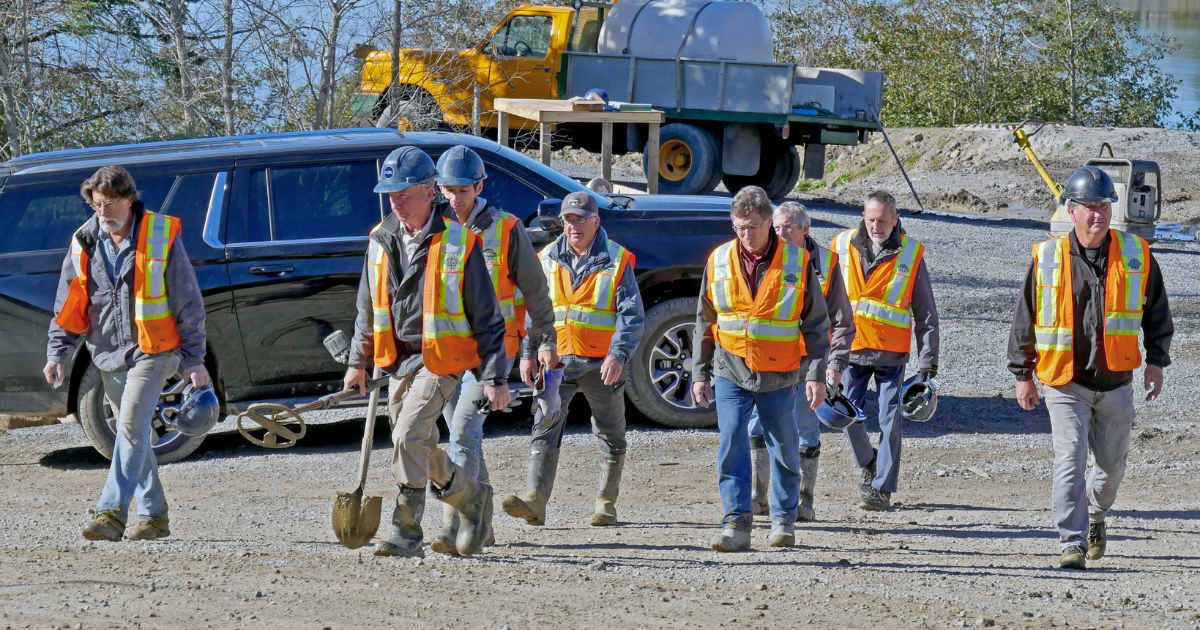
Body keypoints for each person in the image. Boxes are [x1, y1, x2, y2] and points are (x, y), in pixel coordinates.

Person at [344, 146, 509, 558]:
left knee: (405, 435)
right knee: (416, 443)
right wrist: (355, 362)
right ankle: (471, 497)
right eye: (390, 194)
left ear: (428, 190)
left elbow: (488, 317)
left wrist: (495, 377)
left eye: (403, 192)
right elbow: (366, 307)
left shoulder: (459, 242)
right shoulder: (379, 241)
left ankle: (406, 530)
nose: (395, 201)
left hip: (442, 359)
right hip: (399, 360)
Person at [1008, 165, 1172, 570]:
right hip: (1065, 382)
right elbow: (1024, 317)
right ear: (1072, 210)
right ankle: (1071, 542)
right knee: (1069, 461)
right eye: (1089, 207)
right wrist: (1022, 374)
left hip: (1117, 381)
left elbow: (1157, 312)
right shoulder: (1047, 257)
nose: (1097, 214)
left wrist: (1157, 362)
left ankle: (1096, 515)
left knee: (1111, 468)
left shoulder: (1136, 254)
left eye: (1103, 206)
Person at [45, 166, 210, 542]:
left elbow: (188, 301)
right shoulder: (84, 242)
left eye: (112, 203)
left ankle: (110, 512)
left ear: (130, 199)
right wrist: (57, 353)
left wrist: (194, 358)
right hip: (107, 354)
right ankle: (154, 515)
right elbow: (69, 305)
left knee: (132, 427)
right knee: (129, 433)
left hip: (155, 351)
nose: (104, 212)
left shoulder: (160, 235)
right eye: (98, 204)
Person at [431, 145, 557, 555]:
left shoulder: (506, 229)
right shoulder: (436, 229)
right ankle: (482, 526)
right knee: (463, 435)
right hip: (450, 351)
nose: (454, 198)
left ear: (480, 186)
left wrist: (545, 341)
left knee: (464, 432)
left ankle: (457, 524)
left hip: (494, 354)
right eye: (447, 190)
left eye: (462, 190)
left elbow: (536, 292)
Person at [692, 186, 829, 552]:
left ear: (769, 221)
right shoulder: (718, 260)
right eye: (738, 227)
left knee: (784, 446)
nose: (745, 234)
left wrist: (816, 375)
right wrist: (699, 372)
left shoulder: (797, 263)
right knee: (731, 440)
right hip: (731, 368)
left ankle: (783, 521)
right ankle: (736, 524)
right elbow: (704, 320)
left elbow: (816, 325)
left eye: (752, 226)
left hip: (780, 373)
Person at [500, 191, 645, 527]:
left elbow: (631, 316)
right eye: (568, 219)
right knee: (544, 425)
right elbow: (534, 311)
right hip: (556, 362)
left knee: (611, 432)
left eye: (580, 219)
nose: (573, 226)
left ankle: (606, 504)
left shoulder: (616, 259)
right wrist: (528, 353)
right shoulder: (547, 258)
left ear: (596, 221)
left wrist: (618, 354)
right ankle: (535, 500)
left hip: (601, 363)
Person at [830, 190, 939, 512]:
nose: (875, 226)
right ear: (863, 216)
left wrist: (928, 364)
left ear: (895, 219)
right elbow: (826, 300)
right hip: (851, 350)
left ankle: (882, 488)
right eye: (870, 219)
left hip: (891, 352)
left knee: (890, 420)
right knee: (844, 415)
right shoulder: (841, 246)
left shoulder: (910, 253)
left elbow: (927, 314)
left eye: (882, 220)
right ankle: (868, 461)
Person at [747, 201, 856, 522]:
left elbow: (843, 321)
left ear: (805, 229)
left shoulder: (826, 262)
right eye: (777, 228)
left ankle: (804, 502)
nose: (781, 233)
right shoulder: (765, 258)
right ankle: (757, 497)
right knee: (757, 425)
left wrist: (834, 365)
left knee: (806, 432)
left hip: (809, 365)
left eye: (788, 228)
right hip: (769, 361)